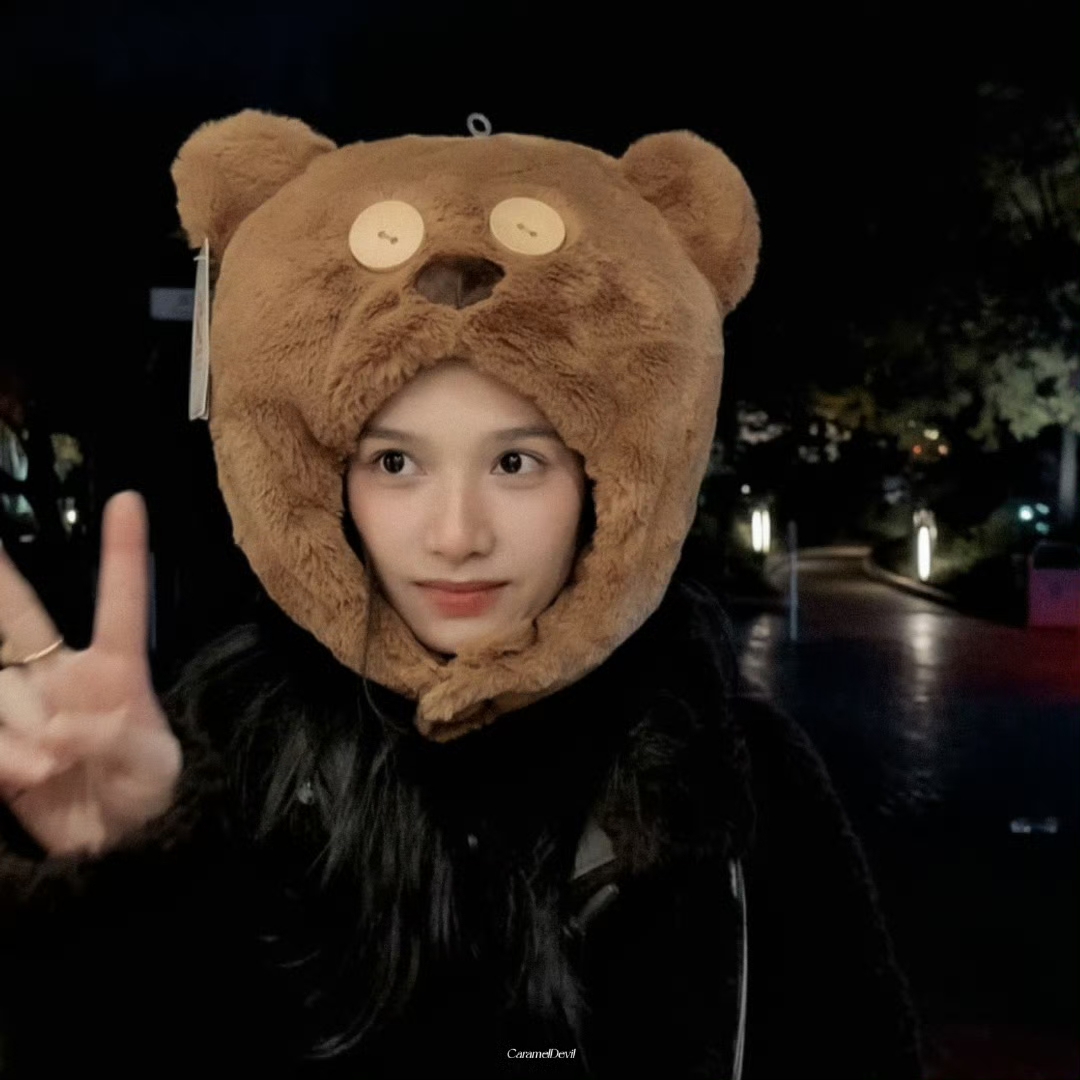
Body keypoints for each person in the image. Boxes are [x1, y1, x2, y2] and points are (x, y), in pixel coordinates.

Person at [0, 112, 922, 1078]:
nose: (455, 535)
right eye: (395, 462)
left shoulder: (742, 784)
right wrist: (120, 883)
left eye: (517, 462)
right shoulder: (223, 766)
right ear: (324, 481)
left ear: (607, 482)